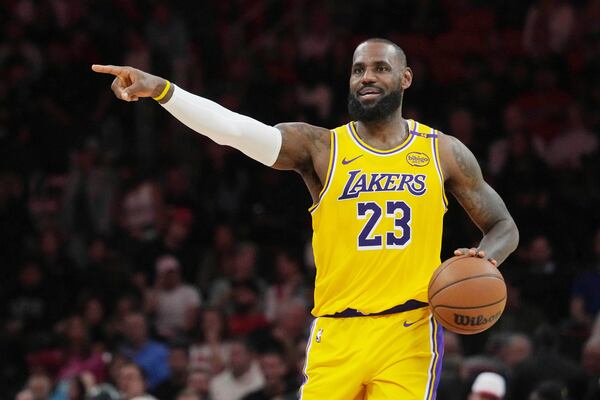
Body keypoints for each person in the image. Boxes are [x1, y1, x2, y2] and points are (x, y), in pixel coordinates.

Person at [93, 37, 519, 399]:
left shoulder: (441, 151)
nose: (366, 77)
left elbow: (503, 226)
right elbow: (234, 131)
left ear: (404, 78)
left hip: (408, 330)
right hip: (335, 331)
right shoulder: (321, 148)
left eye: (379, 68)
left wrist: (484, 258)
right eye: (357, 70)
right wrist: (163, 89)